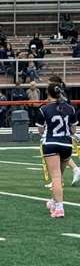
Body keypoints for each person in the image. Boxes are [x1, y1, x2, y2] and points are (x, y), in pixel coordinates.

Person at [35, 83, 78, 218]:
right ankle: (54, 201)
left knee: (56, 177)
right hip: (66, 144)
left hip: (51, 143)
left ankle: (59, 208)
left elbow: (41, 130)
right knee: (59, 177)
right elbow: (73, 130)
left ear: (48, 94)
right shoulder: (70, 108)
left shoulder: (44, 109)